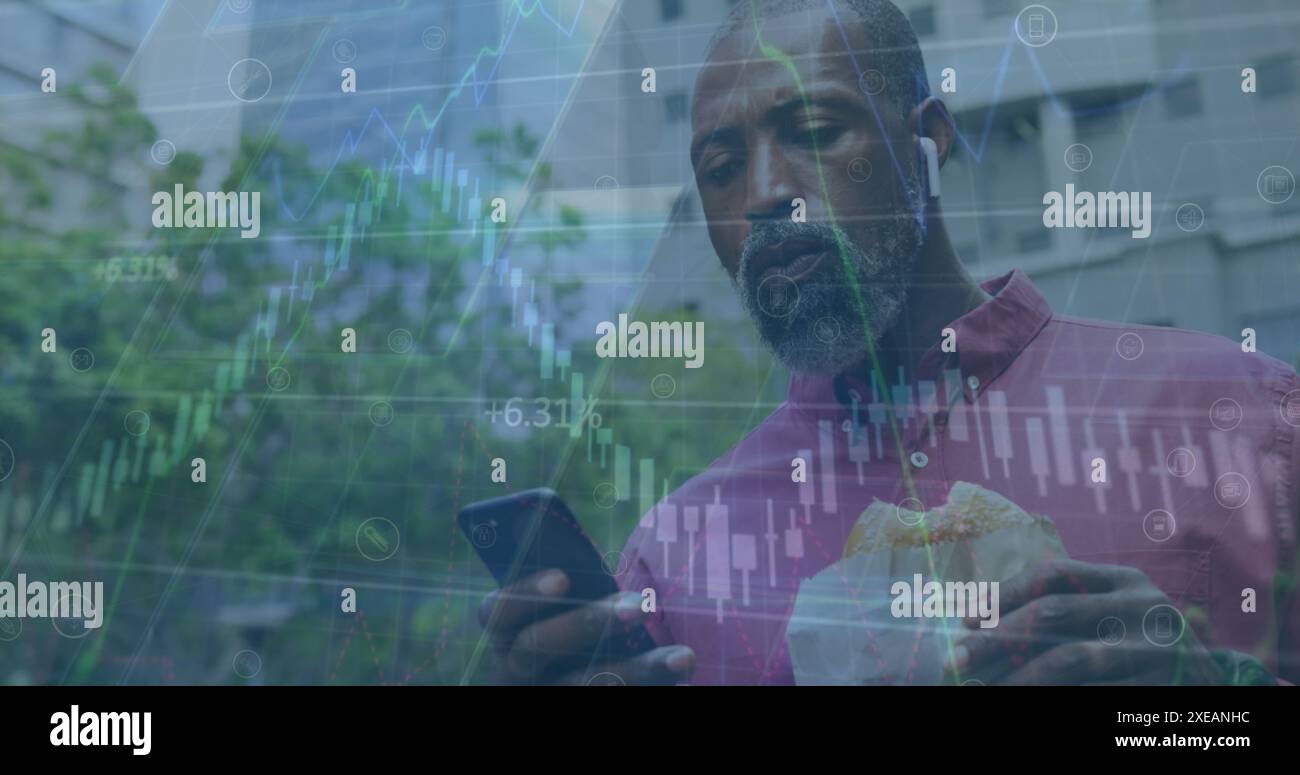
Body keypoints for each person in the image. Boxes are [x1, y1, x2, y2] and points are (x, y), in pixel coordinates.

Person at [478, 0, 1299, 685]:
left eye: (815, 130)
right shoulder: (676, 557)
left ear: (928, 139)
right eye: (721, 167)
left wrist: (1200, 705)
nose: (764, 194)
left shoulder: (1238, 418)